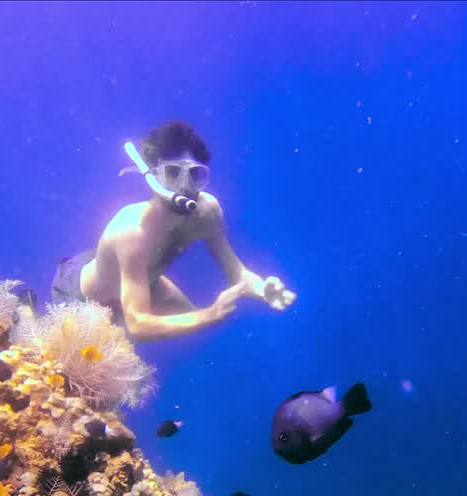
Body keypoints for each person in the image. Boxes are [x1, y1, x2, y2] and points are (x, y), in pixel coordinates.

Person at [49, 120, 296, 342]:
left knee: (197, 331)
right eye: (173, 172)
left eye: (196, 175)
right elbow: (137, 324)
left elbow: (236, 272)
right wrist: (208, 314)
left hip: (144, 280)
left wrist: (262, 289)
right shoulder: (131, 232)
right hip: (80, 298)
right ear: (152, 176)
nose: (185, 186)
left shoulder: (207, 212)